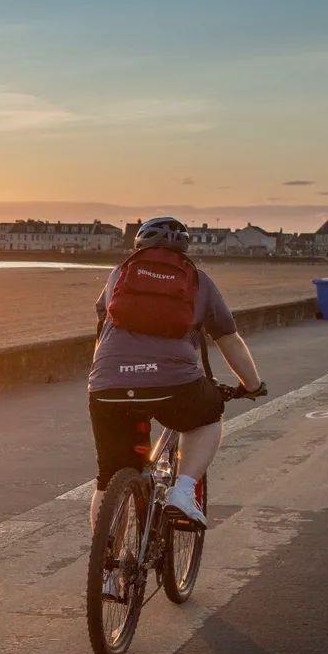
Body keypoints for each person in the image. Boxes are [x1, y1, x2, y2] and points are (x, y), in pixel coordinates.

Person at [88, 217, 264, 528]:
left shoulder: (119, 275)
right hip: (174, 386)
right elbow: (229, 339)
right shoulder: (198, 281)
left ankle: (106, 565)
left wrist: (106, 378)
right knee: (208, 415)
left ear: (140, 245)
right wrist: (251, 384)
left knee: (108, 476)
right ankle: (183, 492)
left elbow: (102, 330)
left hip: (108, 384)